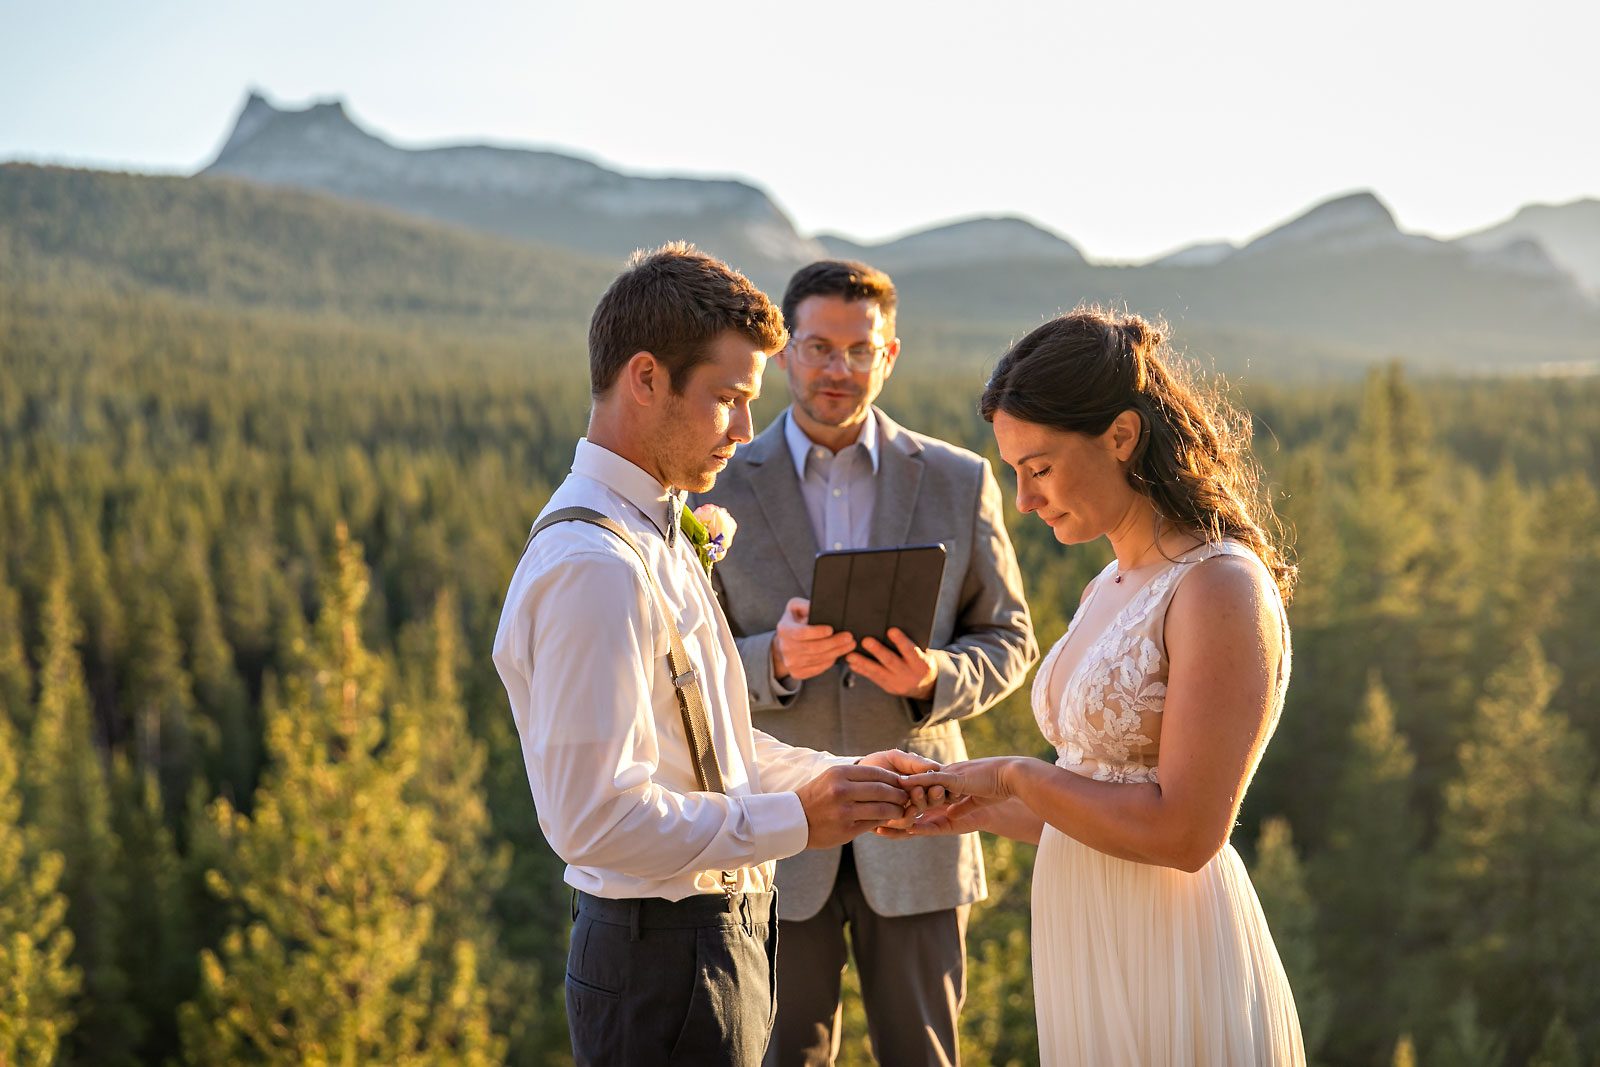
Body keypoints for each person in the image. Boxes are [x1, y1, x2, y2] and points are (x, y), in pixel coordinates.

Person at [491, 244, 940, 1066]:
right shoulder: (594, 566)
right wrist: (797, 821)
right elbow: (594, 820)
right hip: (657, 964)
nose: (743, 429)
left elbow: (708, 745)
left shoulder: (656, 527)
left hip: (708, 946)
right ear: (646, 377)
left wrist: (830, 779)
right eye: (728, 398)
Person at [893, 307, 1307, 1065]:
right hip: (1085, 934)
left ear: (1120, 435)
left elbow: (1184, 834)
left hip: (1168, 950)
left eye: (1039, 467)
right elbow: (1098, 806)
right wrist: (977, 805)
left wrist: (1014, 772)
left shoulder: (1217, 586)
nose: (1022, 499)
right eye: (1014, 470)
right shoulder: (1108, 584)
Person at [696, 260, 1037, 1067]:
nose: (837, 369)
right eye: (818, 347)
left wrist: (932, 681)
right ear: (785, 356)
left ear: (890, 356)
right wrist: (770, 658)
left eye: (859, 349)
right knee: (780, 1056)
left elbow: (1010, 636)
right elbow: (684, 658)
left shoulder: (960, 478)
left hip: (922, 817)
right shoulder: (716, 485)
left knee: (924, 1055)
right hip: (775, 827)